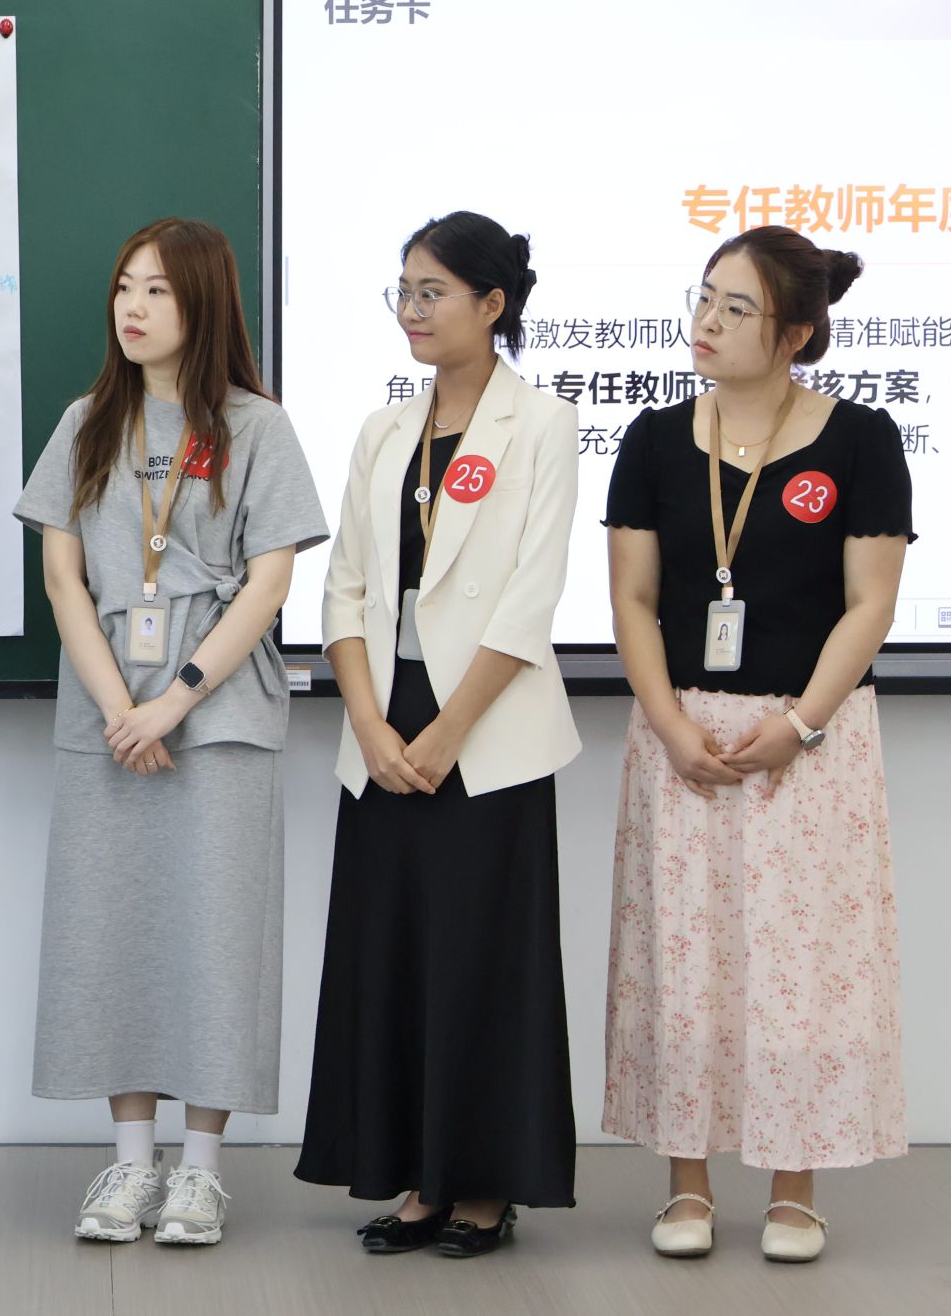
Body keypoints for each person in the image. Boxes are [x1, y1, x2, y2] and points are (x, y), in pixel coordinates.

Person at [15, 218, 328, 1247]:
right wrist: (120, 707)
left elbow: (269, 583)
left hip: (218, 711)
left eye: (156, 289)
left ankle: (200, 1171)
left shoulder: (256, 427)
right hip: (106, 711)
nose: (133, 307)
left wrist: (174, 699)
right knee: (111, 932)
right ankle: (129, 1162)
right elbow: (63, 577)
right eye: (123, 287)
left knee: (214, 935)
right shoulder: (85, 421)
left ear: (203, 301)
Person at [602, 226, 912, 1264]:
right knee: (682, 961)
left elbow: (868, 606)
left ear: (795, 334)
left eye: (735, 309)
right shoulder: (653, 440)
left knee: (799, 966)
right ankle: (686, 1186)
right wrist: (667, 723)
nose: (706, 322)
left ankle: (793, 1188)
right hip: (682, 734)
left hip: (810, 742)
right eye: (703, 298)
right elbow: (632, 600)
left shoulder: (860, 440)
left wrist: (799, 725)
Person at [295, 211, 579, 1258]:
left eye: (431, 292)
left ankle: (485, 1187)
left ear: (491, 304)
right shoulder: (383, 431)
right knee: (395, 954)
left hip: (486, 731)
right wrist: (368, 721)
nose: (411, 311)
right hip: (384, 727)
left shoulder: (540, 423)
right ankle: (417, 1177)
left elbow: (529, 600)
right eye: (403, 291)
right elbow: (344, 589)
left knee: (483, 960)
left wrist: (449, 730)